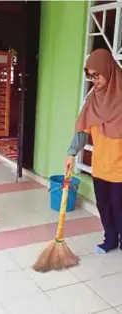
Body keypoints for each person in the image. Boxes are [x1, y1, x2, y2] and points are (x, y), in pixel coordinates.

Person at [65, 49, 122, 254]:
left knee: (119, 208)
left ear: (109, 69)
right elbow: (83, 131)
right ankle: (110, 239)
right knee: (104, 207)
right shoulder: (93, 101)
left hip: (120, 170)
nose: (94, 80)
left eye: (97, 75)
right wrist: (71, 153)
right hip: (100, 167)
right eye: (91, 76)